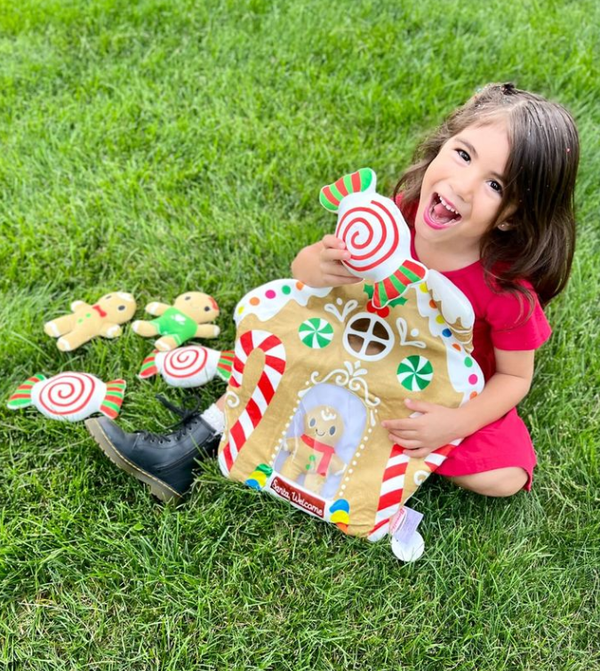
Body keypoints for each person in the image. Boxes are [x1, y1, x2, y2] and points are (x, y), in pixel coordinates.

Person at [86, 83, 579, 503]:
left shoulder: (504, 290)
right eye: (463, 154)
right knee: (285, 353)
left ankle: (392, 445)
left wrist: (453, 424)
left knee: (503, 477)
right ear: (444, 145)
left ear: (513, 214)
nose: (463, 185)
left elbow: (514, 378)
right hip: (363, 345)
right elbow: (305, 276)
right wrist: (318, 265)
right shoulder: (394, 219)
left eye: (494, 184)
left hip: (438, 385)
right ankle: (190, 443)